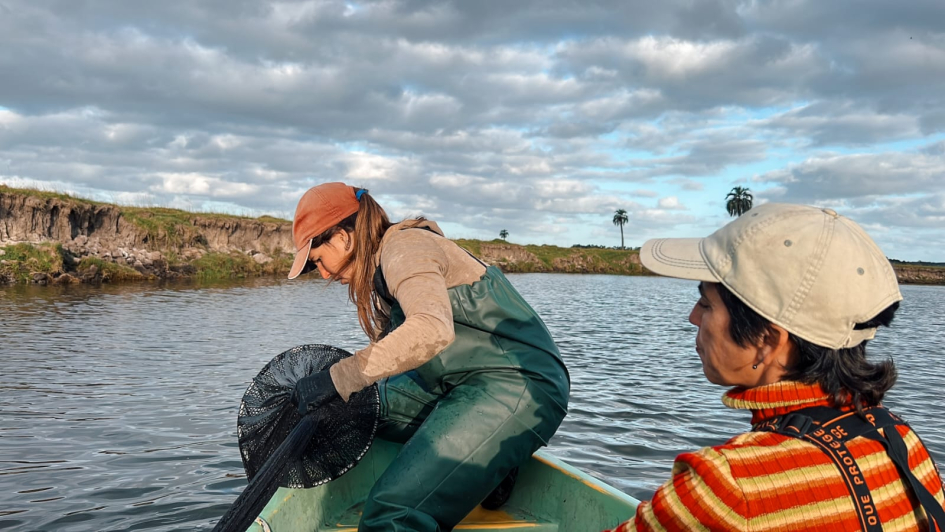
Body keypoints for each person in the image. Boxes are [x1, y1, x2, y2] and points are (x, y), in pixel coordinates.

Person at [606, 203, 945, 531]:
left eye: (706, 304)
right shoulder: (901, 439)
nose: (693, 317)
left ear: (766, 341)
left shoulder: (726, 488)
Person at [285, 182, 570, 531]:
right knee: (360, 407)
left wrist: (338, 377)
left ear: (343, 237)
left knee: (392, 514)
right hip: (460, 380)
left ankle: (495, 450)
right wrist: (342, 391)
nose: (325, 274)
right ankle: (494, 465)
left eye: (318, 260)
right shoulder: (382, 266)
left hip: (519, 384)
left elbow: (432, 329)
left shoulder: (405, 248)